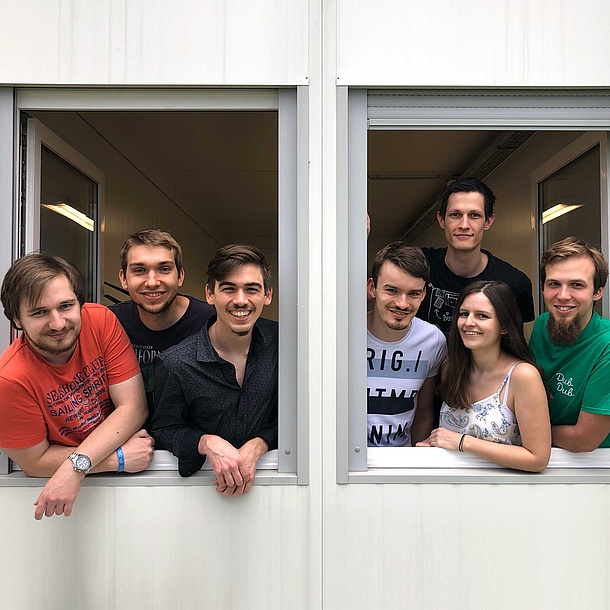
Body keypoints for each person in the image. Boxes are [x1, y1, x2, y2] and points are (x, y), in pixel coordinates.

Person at [0, 254, 153, 520]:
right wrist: (112, 460)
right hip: (61, 496)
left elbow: (134, 407)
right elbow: (34, 462)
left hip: (125, 485)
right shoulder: (10, 379)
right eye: (39, 312)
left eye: (66, 306)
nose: (58, 323)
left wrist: (76, 466)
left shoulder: (100, 320)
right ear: (16, 319)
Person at [152, 244, 277, 495]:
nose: (240, 300)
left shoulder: (285, 346)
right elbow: (164, 430)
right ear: (210, 294)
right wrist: (207, 442)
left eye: (251, 289)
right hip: (199, 495)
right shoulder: (176, 363)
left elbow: (302, 415)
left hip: (275, 484)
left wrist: (260, 443)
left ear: (267, 295)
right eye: (228, 288)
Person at [417, 281, 551, 472]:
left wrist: (464, 443)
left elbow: (537, 459)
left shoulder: (523, 376)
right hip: (451, 486)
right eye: (464, 314)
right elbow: (448, 438)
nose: (469, 322)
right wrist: (431, 443)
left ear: (504, 327)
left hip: (502, 491)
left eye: (482, 316)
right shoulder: (451, 368)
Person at [110, 229, 215, 427]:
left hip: (196, 449)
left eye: (164, 269)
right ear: (123, 278)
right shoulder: (109, 323)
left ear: (180, 276)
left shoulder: (211, 322)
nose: (152, 282)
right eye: (139, 270)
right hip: (128, 445)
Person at [416, 177, 535, 337]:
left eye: (474, 215)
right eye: (455, 214)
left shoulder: (514, 284)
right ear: (441, 219)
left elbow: (515, 345)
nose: (464, 225)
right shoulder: (418, 266)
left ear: (488, 221)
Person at [529, 237, 610, 451]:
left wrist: (526, 431)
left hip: (591, 470)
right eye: (554, 284)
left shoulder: (606, 346)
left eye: (576, 285)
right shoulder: (542, 325)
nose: (563, 296)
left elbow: (583, 439)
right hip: (542, 456)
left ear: (598, 291)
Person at [367, 242, 446, 447]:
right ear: (372, 288)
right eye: (392, 290)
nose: (402, 304)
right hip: (346, 464)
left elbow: (424, 410)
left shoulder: (432, 340)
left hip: (399, 460)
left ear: (424, 294)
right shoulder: (342, 334)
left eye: (413, 293)